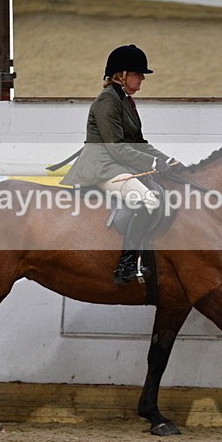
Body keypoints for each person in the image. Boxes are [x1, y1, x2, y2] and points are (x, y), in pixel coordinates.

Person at [60, 44, 180, 285]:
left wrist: (168, 160)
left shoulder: (125, 100)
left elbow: (139, 143)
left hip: (118, 164)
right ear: (121, 75)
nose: (142, 78)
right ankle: (126, 264)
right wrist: (154, 162)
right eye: (138, 73)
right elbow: (117, 148)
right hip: (103, 167)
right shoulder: (108, 100)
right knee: (148, 199)